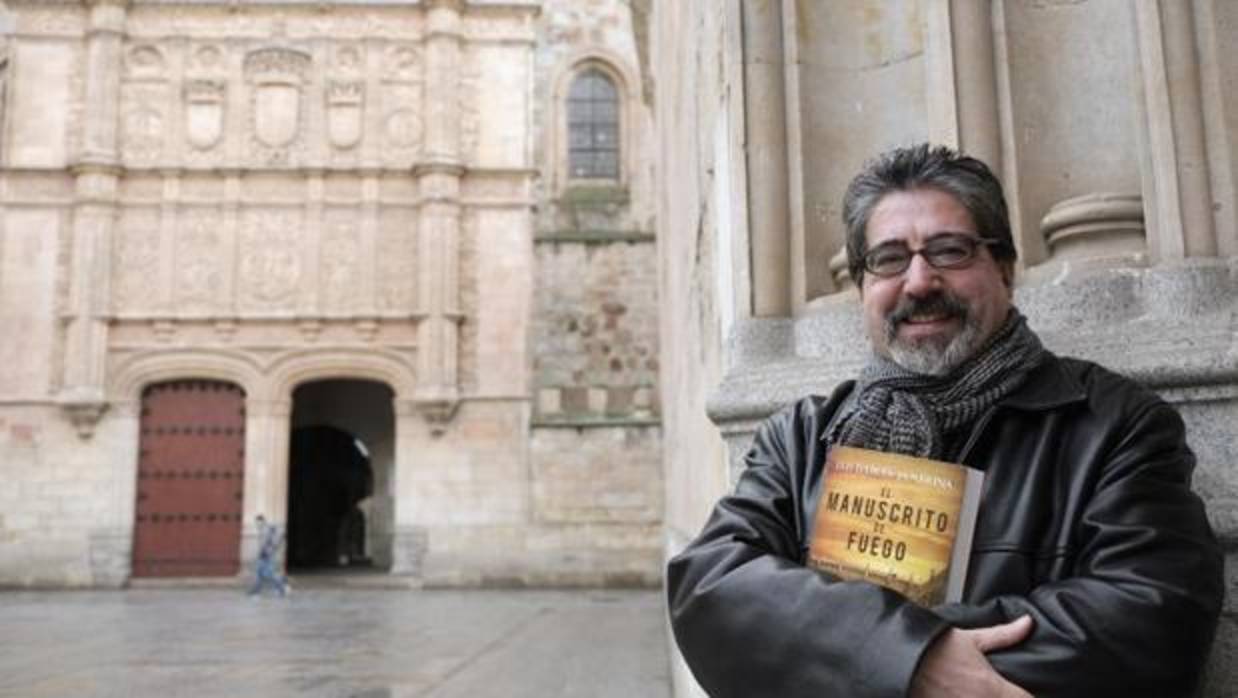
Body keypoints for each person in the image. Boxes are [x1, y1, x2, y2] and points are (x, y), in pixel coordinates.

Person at [666, 144, 1223, 697]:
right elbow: (713, 587)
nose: (918, 282)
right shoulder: (802, 438)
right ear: (862, 287)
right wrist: (910, 658)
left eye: (950, 251)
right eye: (888, 259)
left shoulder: (1115, 424)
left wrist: (884, 659)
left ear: (1004, 269)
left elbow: (1152, 616)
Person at [249, 514, 291, 598]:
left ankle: (282, 587)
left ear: (262, 521)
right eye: (256, 522)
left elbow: (266, 543)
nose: (257, 524)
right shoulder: (263, 529)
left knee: (269, 574)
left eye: (258, 522)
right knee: (260, 573)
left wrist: (266, 552)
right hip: (264, 555)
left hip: (266, 555)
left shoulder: (265, 530)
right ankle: (255, 591)